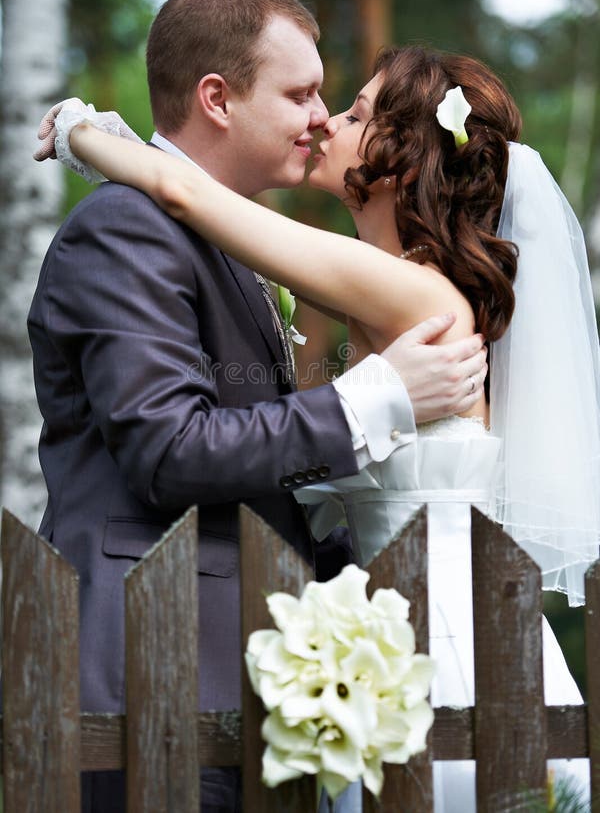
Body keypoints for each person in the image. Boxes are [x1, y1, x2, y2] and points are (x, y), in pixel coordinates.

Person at [39, 43, 599, 811]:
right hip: (371, 664)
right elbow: (299, 431)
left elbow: (186, 191)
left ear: (401, 159)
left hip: (452, 654)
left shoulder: (414, 295)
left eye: (355, 113)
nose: (325, 124)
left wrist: (82, 134)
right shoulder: (368, 296)